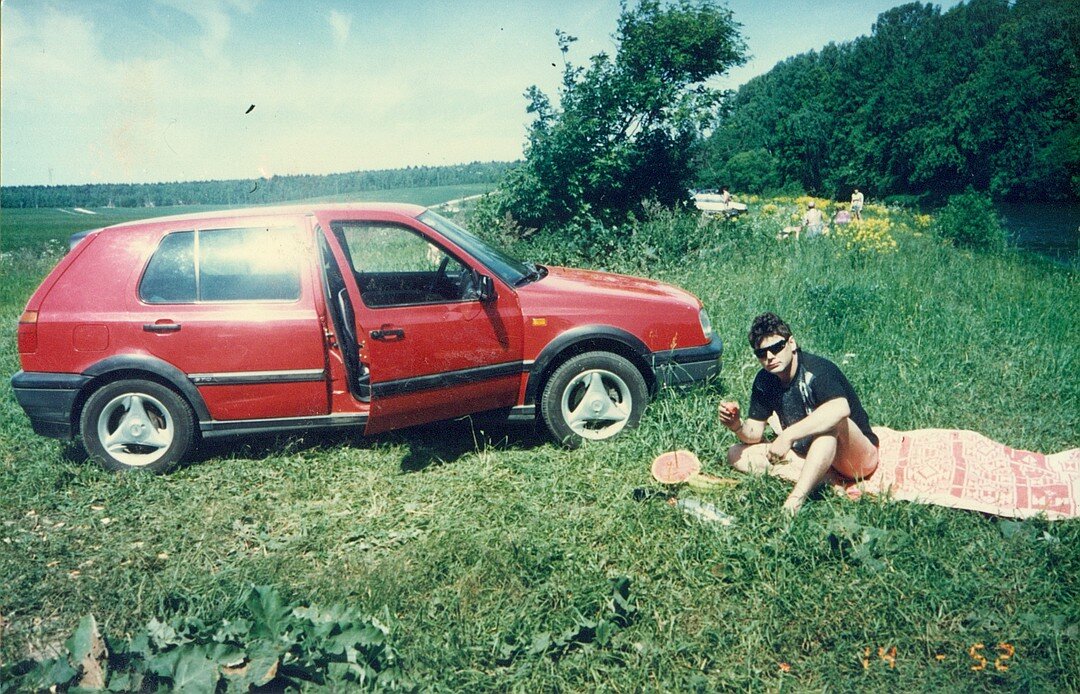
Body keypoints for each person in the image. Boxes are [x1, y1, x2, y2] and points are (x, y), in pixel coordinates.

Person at [718, 312, 879, 514]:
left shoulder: (817, 370)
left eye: (777, 347)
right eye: (762, 353)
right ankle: (825, 480)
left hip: (856, 458)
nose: (770, 357)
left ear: (791, 343)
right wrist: (737, 425)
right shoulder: (765, 380)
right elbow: (754, 434)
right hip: (811, 454)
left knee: (830, 426)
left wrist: (788, 436)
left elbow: (840, 409)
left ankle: (795, 500)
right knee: (735, 454)